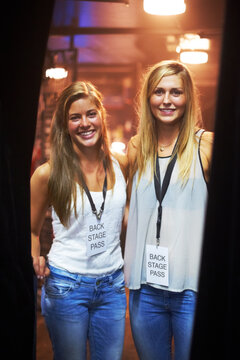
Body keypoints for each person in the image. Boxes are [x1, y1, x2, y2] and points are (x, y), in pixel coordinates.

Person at [31, 81, 128, 360]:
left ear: (102, 116)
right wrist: (34, 255)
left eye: (91, 114)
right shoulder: (47, 174)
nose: (85, 123)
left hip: (112, 286)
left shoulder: (121, 163)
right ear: (65, 124)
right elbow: (29, 230)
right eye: (75, 117)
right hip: (67, 286)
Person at [124, 60, 214, 360]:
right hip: (145, 289)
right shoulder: (136, 148)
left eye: (176, 92)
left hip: (193, 289)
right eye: (158, 91)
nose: (166, 100)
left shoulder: (206, 146)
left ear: (188, 97)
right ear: (148, 97)